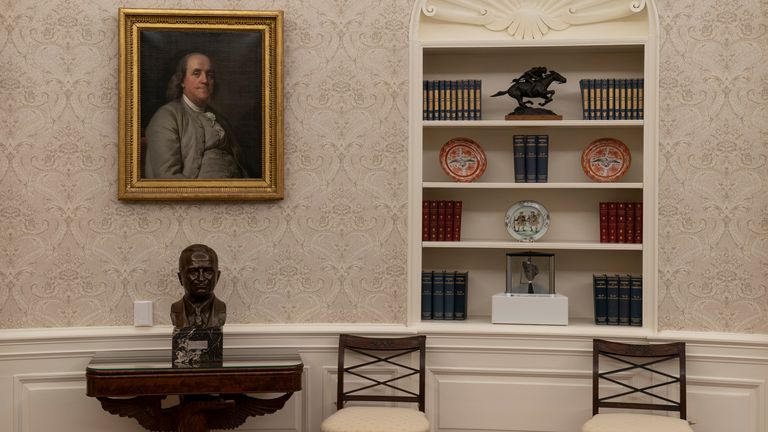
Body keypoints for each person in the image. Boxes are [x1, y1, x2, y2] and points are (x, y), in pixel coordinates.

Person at [144, 52, 247, 178]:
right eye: (196, 74)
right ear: (182, 81)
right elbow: (167, 176)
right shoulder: (166, 117)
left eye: (210, 75)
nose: (205, 80)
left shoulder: (220, 119)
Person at [170, 244, 227, 328]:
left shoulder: (220, 309)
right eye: (193, 272)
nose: (201, 278)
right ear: (180, 278)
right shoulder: (176, 310)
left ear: (217, 276)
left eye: (208, 272)